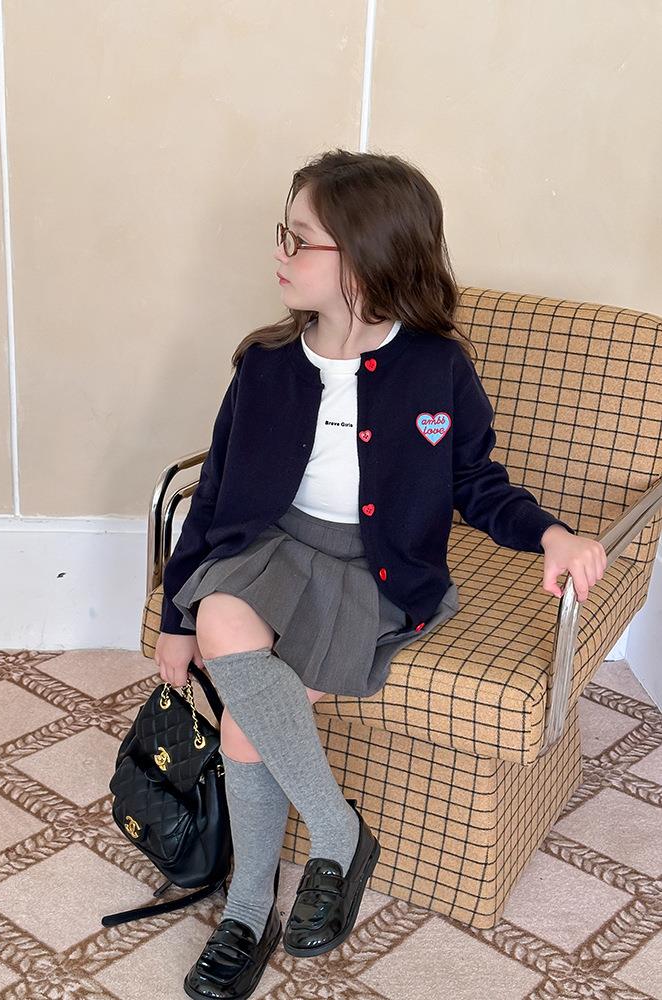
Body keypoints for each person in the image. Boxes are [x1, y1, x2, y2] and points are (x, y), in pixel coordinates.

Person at [154, 149, 607, 1000]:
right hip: (270, 551)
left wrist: (550, 533)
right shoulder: (265, 363)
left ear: (363, 258)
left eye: (300, 239)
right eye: (283, 233)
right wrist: (175, 622)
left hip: (377, 570)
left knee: (248, 719)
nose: (279, 252)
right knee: (215, 615)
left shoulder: (435, 367)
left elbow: (477, 482)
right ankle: (338, 833)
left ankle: (248, 913)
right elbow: (214, 495)